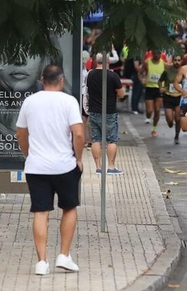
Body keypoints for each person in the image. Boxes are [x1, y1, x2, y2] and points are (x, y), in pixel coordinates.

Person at [15, 63, 84, 276]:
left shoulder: (30, 102)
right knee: (69, 208)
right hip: (64, 165)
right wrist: (79, 158)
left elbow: (21, 134)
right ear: (61, 81)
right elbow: (79, 134)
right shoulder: (69, 101)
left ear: (41, 80)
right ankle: (63, 255)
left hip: (37, 166)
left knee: (40, 211)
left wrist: (29, 155)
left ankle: (42, 262)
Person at [83, 52, 124, 174]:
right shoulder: (113, 76)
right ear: (108, 62)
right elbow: (121, 94)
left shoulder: (90, 74)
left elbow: (87, 91)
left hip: (94, 111)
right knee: (111, 140)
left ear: (97, 61)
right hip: (109, 112)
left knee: (96, 140)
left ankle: (98, 167)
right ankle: (111, 167)